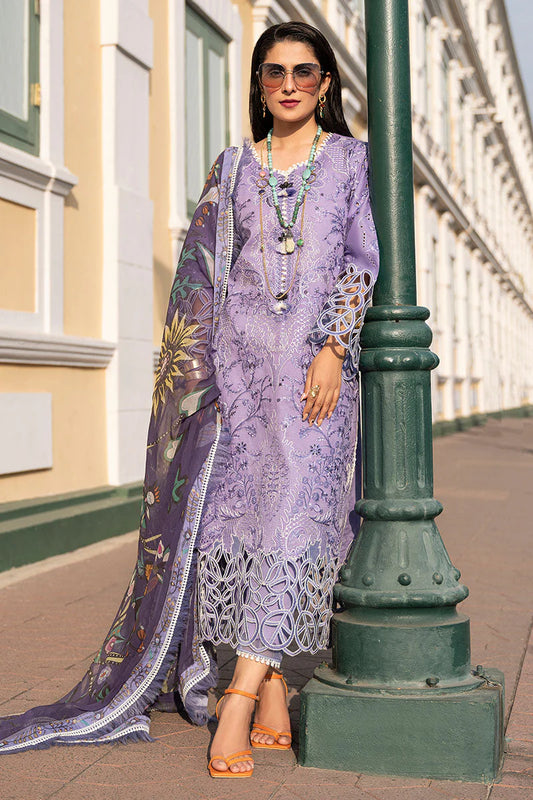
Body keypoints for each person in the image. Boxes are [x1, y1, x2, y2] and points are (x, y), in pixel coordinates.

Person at [0, 21, 379, 778]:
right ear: (258, 85)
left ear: (327, 83)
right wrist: (197, 378)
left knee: (299, 520)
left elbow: (361, 261)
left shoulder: (351, 162)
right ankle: (268, 683)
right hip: (236, 371)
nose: (290, 85)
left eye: (305, 72)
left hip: (315, 372)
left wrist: (335, 349)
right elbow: (205, 275)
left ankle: (235, 699)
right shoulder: (233, 165)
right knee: (235, 528)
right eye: (274, 73)